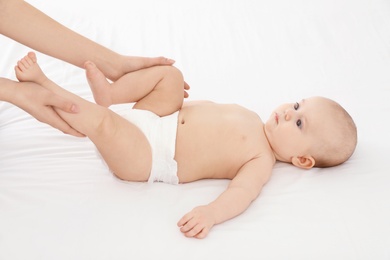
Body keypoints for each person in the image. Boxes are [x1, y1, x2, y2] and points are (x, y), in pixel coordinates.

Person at [9, 52, 357, 239]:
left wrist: (211, 213)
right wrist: (170, 98)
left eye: (299, 122)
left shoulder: (260, 160)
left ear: (302, 160)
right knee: (171, 76)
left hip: (149, 156)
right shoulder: (252, 116)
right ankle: (111, 94)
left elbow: (241, 193)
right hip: (157, 118)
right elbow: (200, 111)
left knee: (102, 123)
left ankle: (44, 87)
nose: (287, 112)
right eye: (297, 105)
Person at [0, 0, 188, 137]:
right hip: (155, 151)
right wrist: (13, 92)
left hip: (162, 144)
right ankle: (43, 83)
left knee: (171, 77)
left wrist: (114, 64)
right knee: (104, 125)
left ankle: (111, 93)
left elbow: (4, 9)